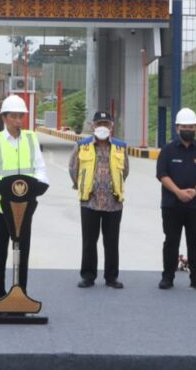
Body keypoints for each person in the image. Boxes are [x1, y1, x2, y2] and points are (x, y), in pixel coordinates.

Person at [0, 94, 49, 303]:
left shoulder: (31, 138)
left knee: (23, 253)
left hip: (25, 206)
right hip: (1, 206)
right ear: (4, 117)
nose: (19, 120)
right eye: (14, 116)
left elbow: (40, 168)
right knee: (0, 253)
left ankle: (21, 296)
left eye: (21, 116)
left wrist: (41, 183)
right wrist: (0, 187)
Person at [156, 107, 196, 291]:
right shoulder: (167, 150)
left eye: (191, 126)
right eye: (184, 126)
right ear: (177, 128)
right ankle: (168, 277)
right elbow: (162, 174)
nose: (188, 129)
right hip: (172, 205)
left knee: (195, 242)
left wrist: (195, 191)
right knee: (171, 241)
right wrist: (178, 192)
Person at [69, 110, 129, 289]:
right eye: (99, 124)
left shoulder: (120, 147)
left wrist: (113, 185)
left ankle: (111, 277)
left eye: (106, 124)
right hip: (89, 202)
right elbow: (73, 168)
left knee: (112, 242)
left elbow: (124, 171)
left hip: (113, 203)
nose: (102, 127)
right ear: (92, 126)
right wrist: (82, 185)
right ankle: (88, 276)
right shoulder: (82, 146)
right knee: (89, 241)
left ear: (111, 126)